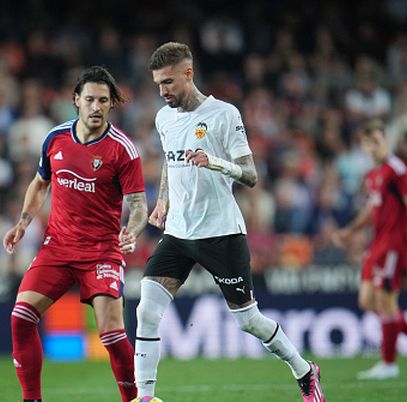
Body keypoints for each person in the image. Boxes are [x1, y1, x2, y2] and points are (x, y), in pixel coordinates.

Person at [131, 42, 325, 402]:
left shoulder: (224, 114)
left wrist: (216, 162)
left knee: (247, 320)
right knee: (146, 310)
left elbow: (251, 175)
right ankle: (145, 397)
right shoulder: (164, 118)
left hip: (221, 233)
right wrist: (163, 202)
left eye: (169, 82)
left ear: (189, 74)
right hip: (178, 233)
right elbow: (172, 165)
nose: (163, 91)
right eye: (158, 84)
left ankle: (303, 370)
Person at [3, 66, 148, 402]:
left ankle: (133, 400)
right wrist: (23, 222)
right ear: (76, 101)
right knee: (20, 318)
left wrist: (133, 230)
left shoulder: (122, 150)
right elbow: (41, 182)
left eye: (103, 100)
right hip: (57, 247)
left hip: (101, 251)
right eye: (90, 100)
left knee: (111, 335)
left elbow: (139, 204)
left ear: (111, 104)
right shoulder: (55, 138)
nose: (96, 107)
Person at [332, 119, 407, 379]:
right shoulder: (374, 174)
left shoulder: (396, 169)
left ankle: (388, 363)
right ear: (363, 147)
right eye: (369, 143)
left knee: (386, 302)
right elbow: (371, 209)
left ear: (386, 141)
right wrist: (350, 230)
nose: (374, 147)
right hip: (377, 243)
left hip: (395, 244)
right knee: (367, 300)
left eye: (378, 141)